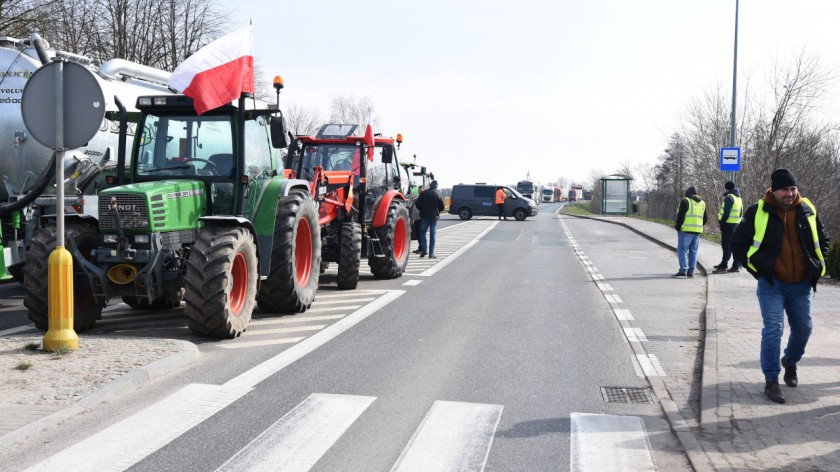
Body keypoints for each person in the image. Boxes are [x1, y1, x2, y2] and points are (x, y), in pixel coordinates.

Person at [731, 169, 830, 404]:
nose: (790, 193)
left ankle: (791, 362)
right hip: (771, 284)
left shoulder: (807, 209)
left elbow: (822, 240)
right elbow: (738, 243)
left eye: (793, 189)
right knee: (773, 330)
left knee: (804, 329)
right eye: (785, 189)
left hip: (802, 284)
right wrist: (758, 270)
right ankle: (772, 381)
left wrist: (815, 267)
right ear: (774, 191)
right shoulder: (758, 211)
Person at [672, 186, 707, 279]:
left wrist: (677, 227)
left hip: (686, 230)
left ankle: (683, 271)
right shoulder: (702, 203)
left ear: (687, 193)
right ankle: (691, 272)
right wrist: (699, 225)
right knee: (693, 251)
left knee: (682, 250)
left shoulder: (685, 201)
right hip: (697, 231)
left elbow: (680, 217)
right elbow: (705, 218)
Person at [713, 180, 743, 274]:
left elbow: (726, 213)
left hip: (728, 225)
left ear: (727, 188)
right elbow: (741, 212)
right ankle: (736, 265)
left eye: (724, 188)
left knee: (726, 245)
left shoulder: (729, 198)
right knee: (734, 246)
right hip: (736, 225)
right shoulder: (738, 198)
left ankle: (723, 266)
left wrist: (722, 223)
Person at [415, 180, 445, 258]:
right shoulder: (438, 194)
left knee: (422, 233)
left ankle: (424, 250)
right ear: (436, 186)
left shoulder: (423, 193)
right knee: (432, 235)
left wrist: (422, 209)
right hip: (434, 218)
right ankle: (431, 254)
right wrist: (437, 211)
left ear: (430, 185)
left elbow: (417, 204)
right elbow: (442, 207)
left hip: (424, 217)